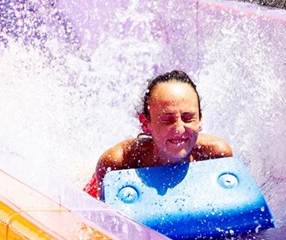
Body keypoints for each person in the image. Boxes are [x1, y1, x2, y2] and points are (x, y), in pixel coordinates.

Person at [85, 70, 233, 199]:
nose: (179, 129)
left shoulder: (216, 155)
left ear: (200, 119)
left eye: (188, 118)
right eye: (167, 120)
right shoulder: (119, 162)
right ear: (146, 124)